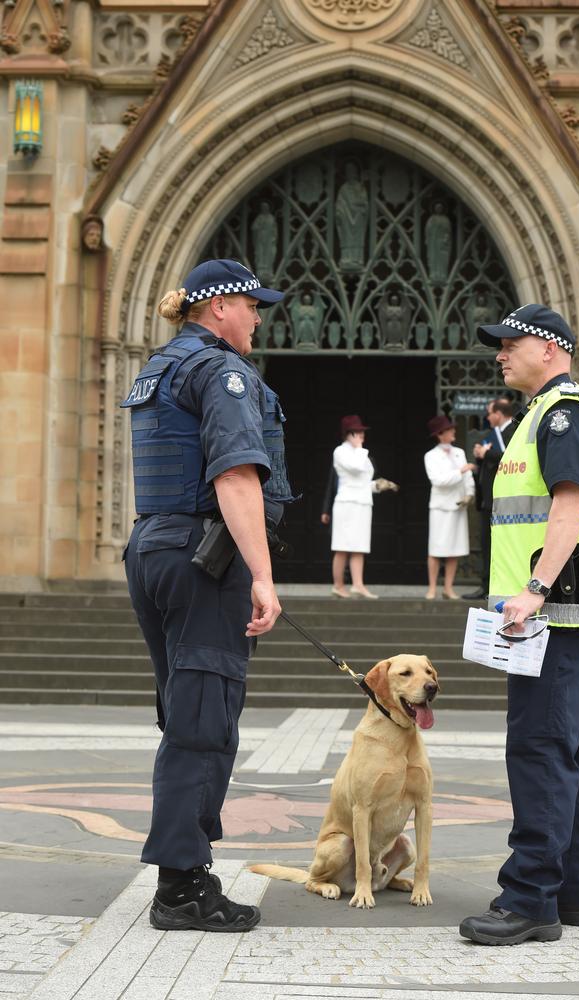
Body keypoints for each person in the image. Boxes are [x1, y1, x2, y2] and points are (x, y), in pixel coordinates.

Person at [121, 259, 296, 933]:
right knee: (203, 722)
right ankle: (182, 888)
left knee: (187, 716)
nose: (258, 318)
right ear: (219, 305)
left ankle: (184, 872)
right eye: (253, 305)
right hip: (201, 560)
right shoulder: (219, 372)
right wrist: (261, 574)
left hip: (155, 549)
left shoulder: (161, 366)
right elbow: (235, 476)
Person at [460, 303, 579, 945]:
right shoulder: (541, 416)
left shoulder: (564, 413)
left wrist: (532, 589)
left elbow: (571, 503)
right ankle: (572, 890)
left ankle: (530, 899)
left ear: (550, 349)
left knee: (540, 748)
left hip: (552, 611)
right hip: (560, 609)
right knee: (571, 746)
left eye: (510, 342)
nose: (500, 353)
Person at [464, 398, 516, 600]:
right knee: (488, 544)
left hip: (505, 499)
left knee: (501, 545)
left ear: (499, 414)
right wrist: (480, 455)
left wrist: (488, 453)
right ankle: (486, 585)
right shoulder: (494, 434)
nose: (487, 417)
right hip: (489, 499)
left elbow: (510, 457)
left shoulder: (513, 430)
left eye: (489, 413)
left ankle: (495, 587)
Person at [330, 415, 385, 599]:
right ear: (349, 433)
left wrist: (378, 486)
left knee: (359, 545)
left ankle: (358, 584)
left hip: (362, 502)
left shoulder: (362, 453)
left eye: (362, 432)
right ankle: (338, 585)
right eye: (358, 432)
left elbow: (364, 480)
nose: (362, 435)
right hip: (346, 503)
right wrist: (359, 449)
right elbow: (354, 468)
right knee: (342, 545)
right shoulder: (340, 451)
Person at [424, 415, 476, 600]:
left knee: (455, 548)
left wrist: (469, 494)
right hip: (440, 507)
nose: (453, 432)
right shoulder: (430, 456)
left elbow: (468, 477)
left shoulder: (459, 452)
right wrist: (460, 471)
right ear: (440, 434)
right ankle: (432, 588)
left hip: (457, 506)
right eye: (449, 430)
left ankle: (448, 588)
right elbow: (438, 481)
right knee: (436, 548)